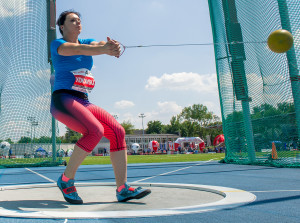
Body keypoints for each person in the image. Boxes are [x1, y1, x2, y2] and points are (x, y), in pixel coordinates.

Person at [50, 10, 151, 204]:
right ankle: (65, 180)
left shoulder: (87, 42)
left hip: (83, 101)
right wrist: (105, 50)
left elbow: (96, 45)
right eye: (72, 20)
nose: (78, 22)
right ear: (62, 26)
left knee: (117, 131)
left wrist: (111, 46)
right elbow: (79, 50)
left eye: (79, 20)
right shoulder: (58, 44)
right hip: (63, 99)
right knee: (94, 131)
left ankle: (122, 189)